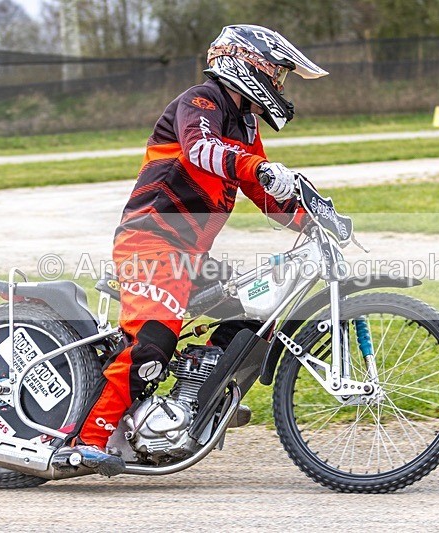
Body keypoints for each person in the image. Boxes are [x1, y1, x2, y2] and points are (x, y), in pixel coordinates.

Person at [58, 24, 328, 475]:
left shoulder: (243, 124)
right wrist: (259, 167)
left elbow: (263, 194)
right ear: (246, 63)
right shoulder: (201, 101)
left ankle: (191, 396)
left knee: (255, 310)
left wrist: (312, 215)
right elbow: (202, 149)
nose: (279, 86)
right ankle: (86, 440)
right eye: (276, 74)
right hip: (151, 240)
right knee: (153, 339)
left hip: (190, 256)